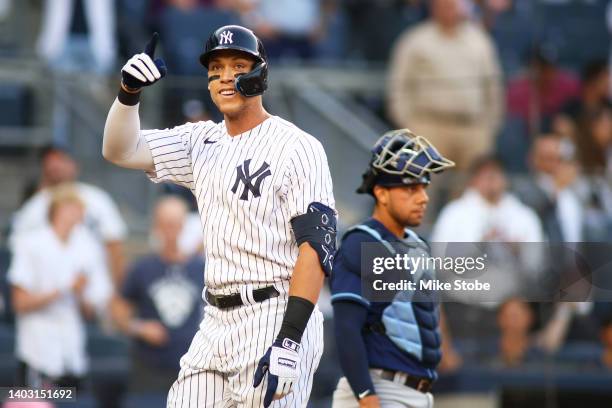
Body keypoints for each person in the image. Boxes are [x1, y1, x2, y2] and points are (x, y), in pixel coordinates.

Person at [102, 25, 336, 407]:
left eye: (238, 65)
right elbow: (120, 150)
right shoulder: (200, 141)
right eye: (216, 67)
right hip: (214, 319)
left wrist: (290, 340)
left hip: (275, 312)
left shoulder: (298, 147)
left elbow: (316, 248)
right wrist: (128, 94)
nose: (226, 76)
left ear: (260, 74)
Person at [330, 129, 455, 408]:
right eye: (411, 189)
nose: (423, 198)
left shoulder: (417, 243)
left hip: (416, 392)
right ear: (382, 194)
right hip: (379, 390)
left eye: (424, 187)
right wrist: (366, 396)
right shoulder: (362, 242)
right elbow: (347, 329)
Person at [8, 184, 112, 389]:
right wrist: (65, 288)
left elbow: (91, 309)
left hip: (72, 354)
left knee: (74, 401)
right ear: (59, 209)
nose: (80, 214)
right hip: (37, 353)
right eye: (74, 207)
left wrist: (82, 294)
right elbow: (19, 302)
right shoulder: (30, 244)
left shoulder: (87, 246)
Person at [387, 0, 503, 169]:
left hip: (472, 128)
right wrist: (408, 125)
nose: (448, 11)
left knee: (470, 190)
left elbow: (493, 86)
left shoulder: (480, 41)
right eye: (443, 6)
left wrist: (489, 126)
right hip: (427, 126)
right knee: (421, 187)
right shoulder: (415, 40)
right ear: (433, 8)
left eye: (452, 6)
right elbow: (398, 86)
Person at [111, 197, 204, 395]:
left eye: (176, 224)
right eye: (166, 224)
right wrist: (139, 328)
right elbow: (118, 310)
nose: (171, 230)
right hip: (149, 367)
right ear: (157, 226)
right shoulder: (142, 268)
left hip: (191, 366)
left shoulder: (201, 268)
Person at [10, 146, 127, 287]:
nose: (55, 165)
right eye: (50, 161)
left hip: (96, 290)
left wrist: (120, 290)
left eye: (60, 160)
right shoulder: (34, 207)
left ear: (74, 165)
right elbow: (19, 251)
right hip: (48, 292)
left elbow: (114, 246)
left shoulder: (97, 199)